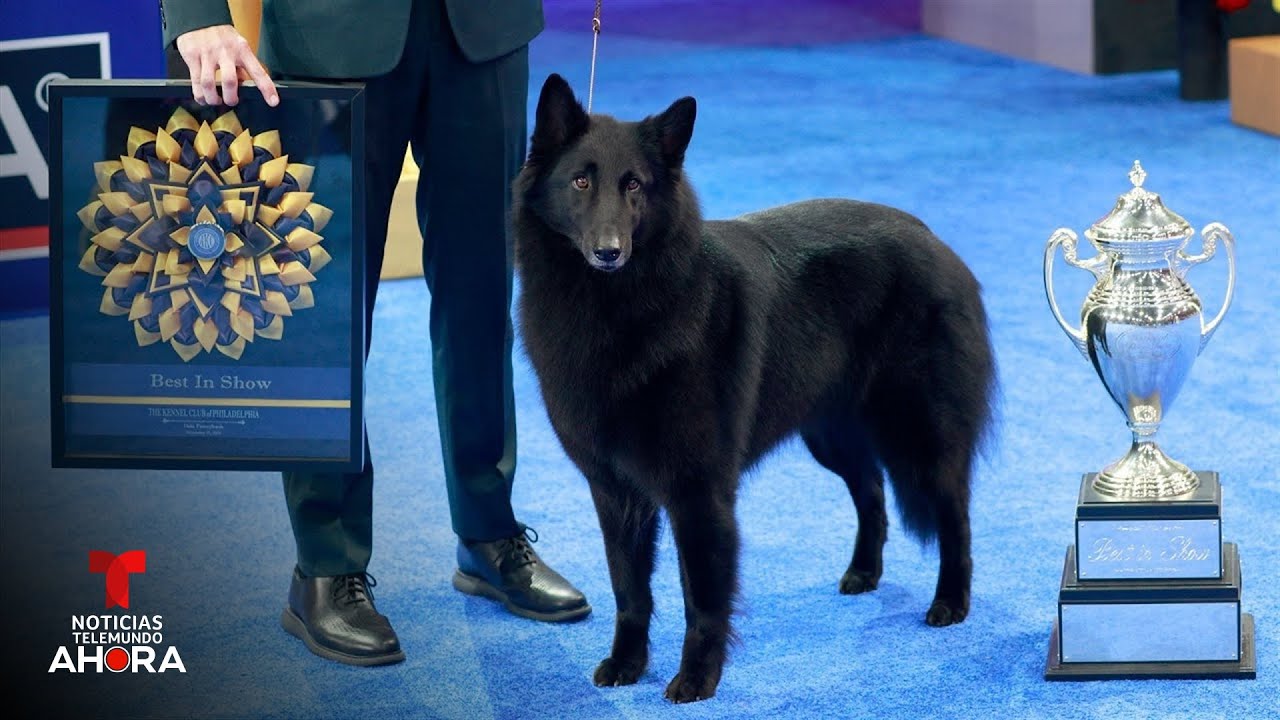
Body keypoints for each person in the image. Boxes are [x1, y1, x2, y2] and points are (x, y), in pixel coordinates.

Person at [159, 0, 590, 667]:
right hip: (326, 33)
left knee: (483, 295)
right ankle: (324, 566)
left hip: (484, 29)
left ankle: (487, 530)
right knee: (321, 307)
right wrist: (194, 11)